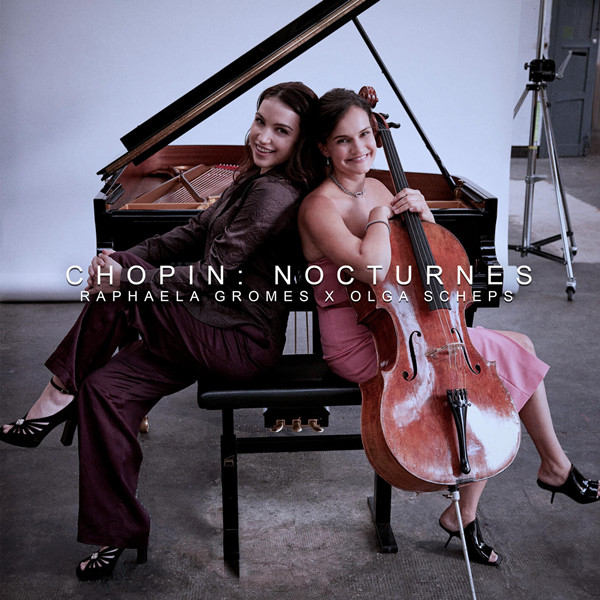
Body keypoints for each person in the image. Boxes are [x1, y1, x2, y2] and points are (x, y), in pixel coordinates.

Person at [0, 81, 320, 580]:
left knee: (123, 290)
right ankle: (117, 532)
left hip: (238, 341)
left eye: (281, 131)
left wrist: (125, 276)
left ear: (300, 142)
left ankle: (58, 392)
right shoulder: (251, 178)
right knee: (106, 391)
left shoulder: (274, 193)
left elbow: (215, 272)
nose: (263, 136)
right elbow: (190, 234)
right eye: (260, 121)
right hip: (202, 327)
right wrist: (122, 259)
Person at [298, 88, 598, 566]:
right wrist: (379, 216)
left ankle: (490, 499)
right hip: (363, 340)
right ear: (323, 147)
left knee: (502, 359)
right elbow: (373, 267)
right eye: (343, 140)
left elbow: (422, 259)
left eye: (366, 135)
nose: (360, 148)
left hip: (405, 330)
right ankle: (544, 472)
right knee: (509, 356)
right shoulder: (320, 206)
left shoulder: (378, 188)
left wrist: (424, 216)